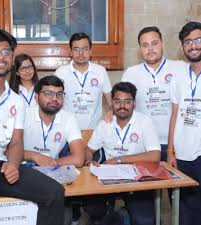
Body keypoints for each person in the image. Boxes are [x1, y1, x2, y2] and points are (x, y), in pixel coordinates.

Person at [0, 28, 64, 225]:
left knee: (54, 193)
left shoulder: (16, 101)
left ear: (12, 57)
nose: (0, 57)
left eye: (6, 52)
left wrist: (14, 165)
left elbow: (16, 143)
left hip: (0, 166)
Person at [86, 82, 161, 225]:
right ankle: (118, 217)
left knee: (144, 220)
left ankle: (122, 216)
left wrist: (119, 159)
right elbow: (89, 150)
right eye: (117, 101)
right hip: (108, 179)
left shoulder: (144, 122)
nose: (122, 106)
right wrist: (89, 162)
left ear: (134, 103)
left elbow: (155, 156)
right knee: (92, 208)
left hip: (137, 179)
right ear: (112, 103)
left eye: (127, 102)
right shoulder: (105, 124)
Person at [121, 26, 187, 161]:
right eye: (145, 45)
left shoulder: (181, 68)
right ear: (140, 49)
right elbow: (121, 105)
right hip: (143, 145)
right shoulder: (130, 73)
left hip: (176, 144)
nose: (150, 49)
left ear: (162, 44)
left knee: (180, 182)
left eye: (154, 43)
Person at [167, 21, 201, 225]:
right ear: (182, 48)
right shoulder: (178, 77)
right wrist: (170, 151)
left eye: (198, 40)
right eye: (188, 42)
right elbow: (174, 115)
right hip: (182, 154)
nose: (193, 45)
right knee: (185, 211)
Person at [23, 75, 85, 168]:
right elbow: (8, 151)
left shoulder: (69, 119)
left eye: (59, 94)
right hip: (23, 169)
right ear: (36, 96)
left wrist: (49, 163)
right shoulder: (23, 115)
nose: (55, 98)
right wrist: (35, 156)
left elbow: (78, 159)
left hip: (53, 170)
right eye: (49, 93)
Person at [55, 32, 112, 130]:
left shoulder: (100, 71)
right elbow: (54, 102)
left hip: (95, 131)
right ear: (71, 52)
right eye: (76, 49)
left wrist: (111, 112)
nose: (80, 53)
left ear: (90, 51)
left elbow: (111, 102)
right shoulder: (60, 73)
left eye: (85, 49)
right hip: (67, 131)